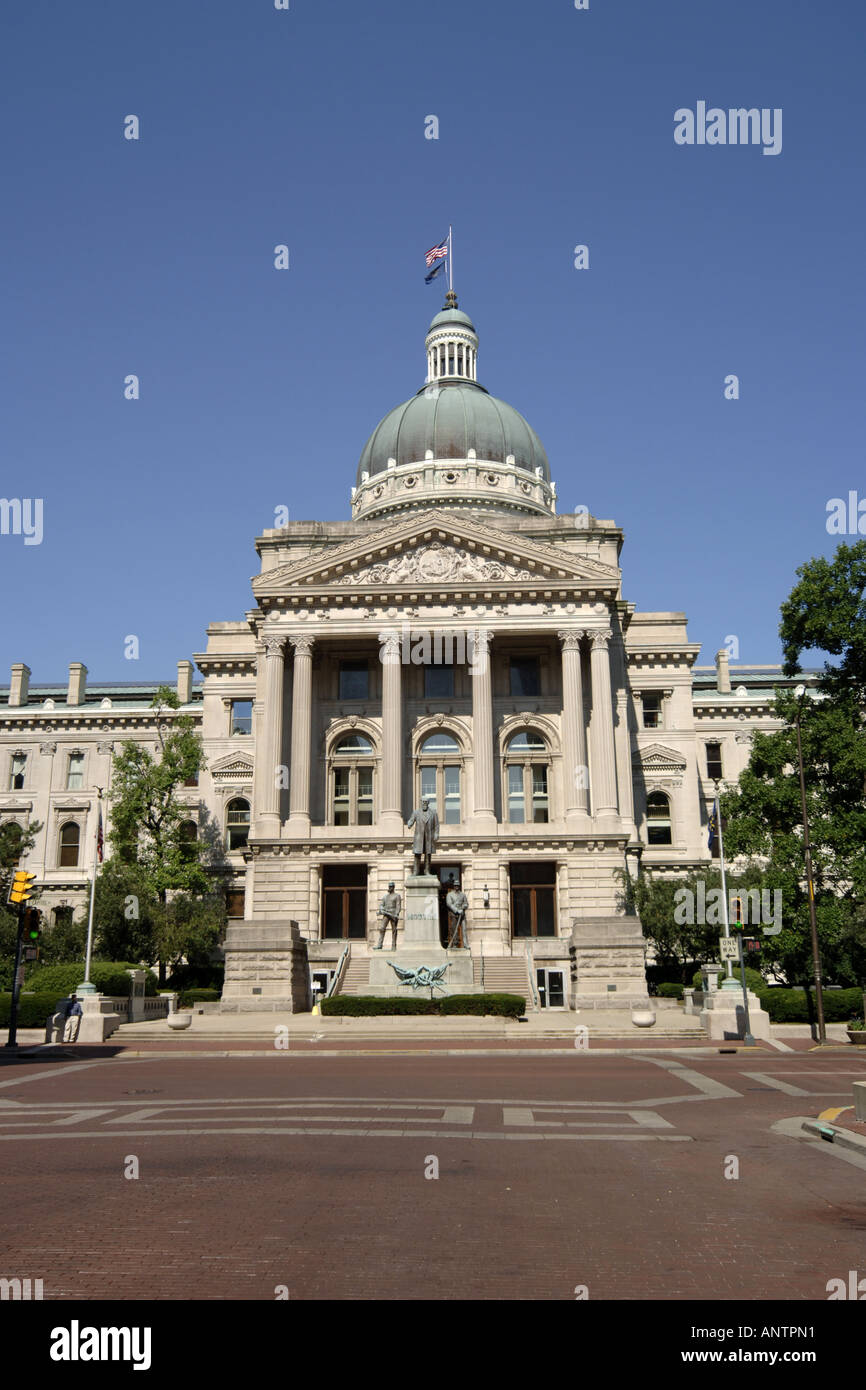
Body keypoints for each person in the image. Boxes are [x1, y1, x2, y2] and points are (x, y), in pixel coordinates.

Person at [407, 797, 439, 876]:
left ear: (428, 803)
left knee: (428, 854)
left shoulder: (433, 813)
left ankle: (427, 871)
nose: (424, 803)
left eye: (426, 802)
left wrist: (436, 834)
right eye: (423, 801)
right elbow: (411, 820)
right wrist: (410, 823)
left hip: (429, 837)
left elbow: (436, 825)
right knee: (417, 854)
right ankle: (416, 871)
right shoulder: (416, 812)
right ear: (421, 802)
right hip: (419, 837)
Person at [374, 882, 402, 950]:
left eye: (391, 887)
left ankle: (393, 946)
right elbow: (381, 904)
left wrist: (397, 913)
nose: (390, 888)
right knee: (382, 928)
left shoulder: (397, 896)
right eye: (389, 886)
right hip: (386, 914)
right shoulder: (385, 896)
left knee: (394, 930)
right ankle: (380, 945)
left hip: (393, 914)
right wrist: (381, 909)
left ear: (393, 887)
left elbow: (398, 906)